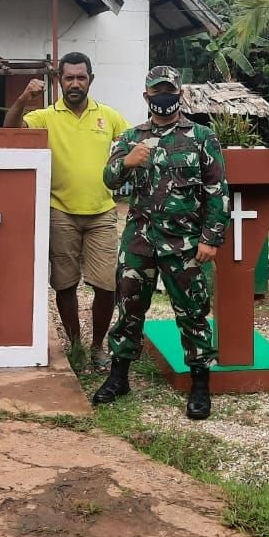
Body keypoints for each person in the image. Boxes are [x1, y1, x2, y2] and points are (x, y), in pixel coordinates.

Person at [91, 66, 227, 420]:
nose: (162, 97)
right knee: (129, 310)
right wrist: (127, 162)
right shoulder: (131, 138)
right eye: (156, 91)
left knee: (193, 313)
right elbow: (108, 179)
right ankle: (119, 377)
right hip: (139, 241)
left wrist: (211, 239)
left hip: (184, 245)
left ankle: (200, 385)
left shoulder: (201, 137)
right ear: (146, 96)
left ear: (179, 94)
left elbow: (217, 192)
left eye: (169, 90)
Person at [4, 52, 130, 369]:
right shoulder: (46, 116)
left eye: (81, 77)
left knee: (106, 284)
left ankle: (98, 346)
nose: (75, 83)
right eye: (69, 77)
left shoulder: (110, 116)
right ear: (60, 80)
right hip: (60, 211)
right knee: (65, 283)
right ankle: (75, 347)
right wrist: (22, 99)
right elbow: (10, 130)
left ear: (91, 79)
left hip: (102, 211)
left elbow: (131, 142)